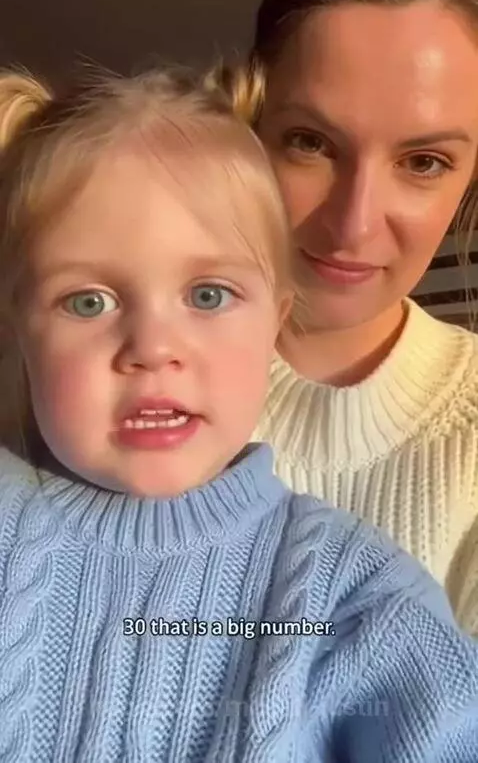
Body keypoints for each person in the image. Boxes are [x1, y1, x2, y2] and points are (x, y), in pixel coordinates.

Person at [0, 66, 477, 761]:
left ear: (275, 322)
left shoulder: (356, 599)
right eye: (88, 302)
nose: (152, 349)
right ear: (20, 331)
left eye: (209, 295)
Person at [215, 0, 478, 635]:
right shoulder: (109, 378)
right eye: (311, 142)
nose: (354, 224)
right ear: (250, 128)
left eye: (423, 161)